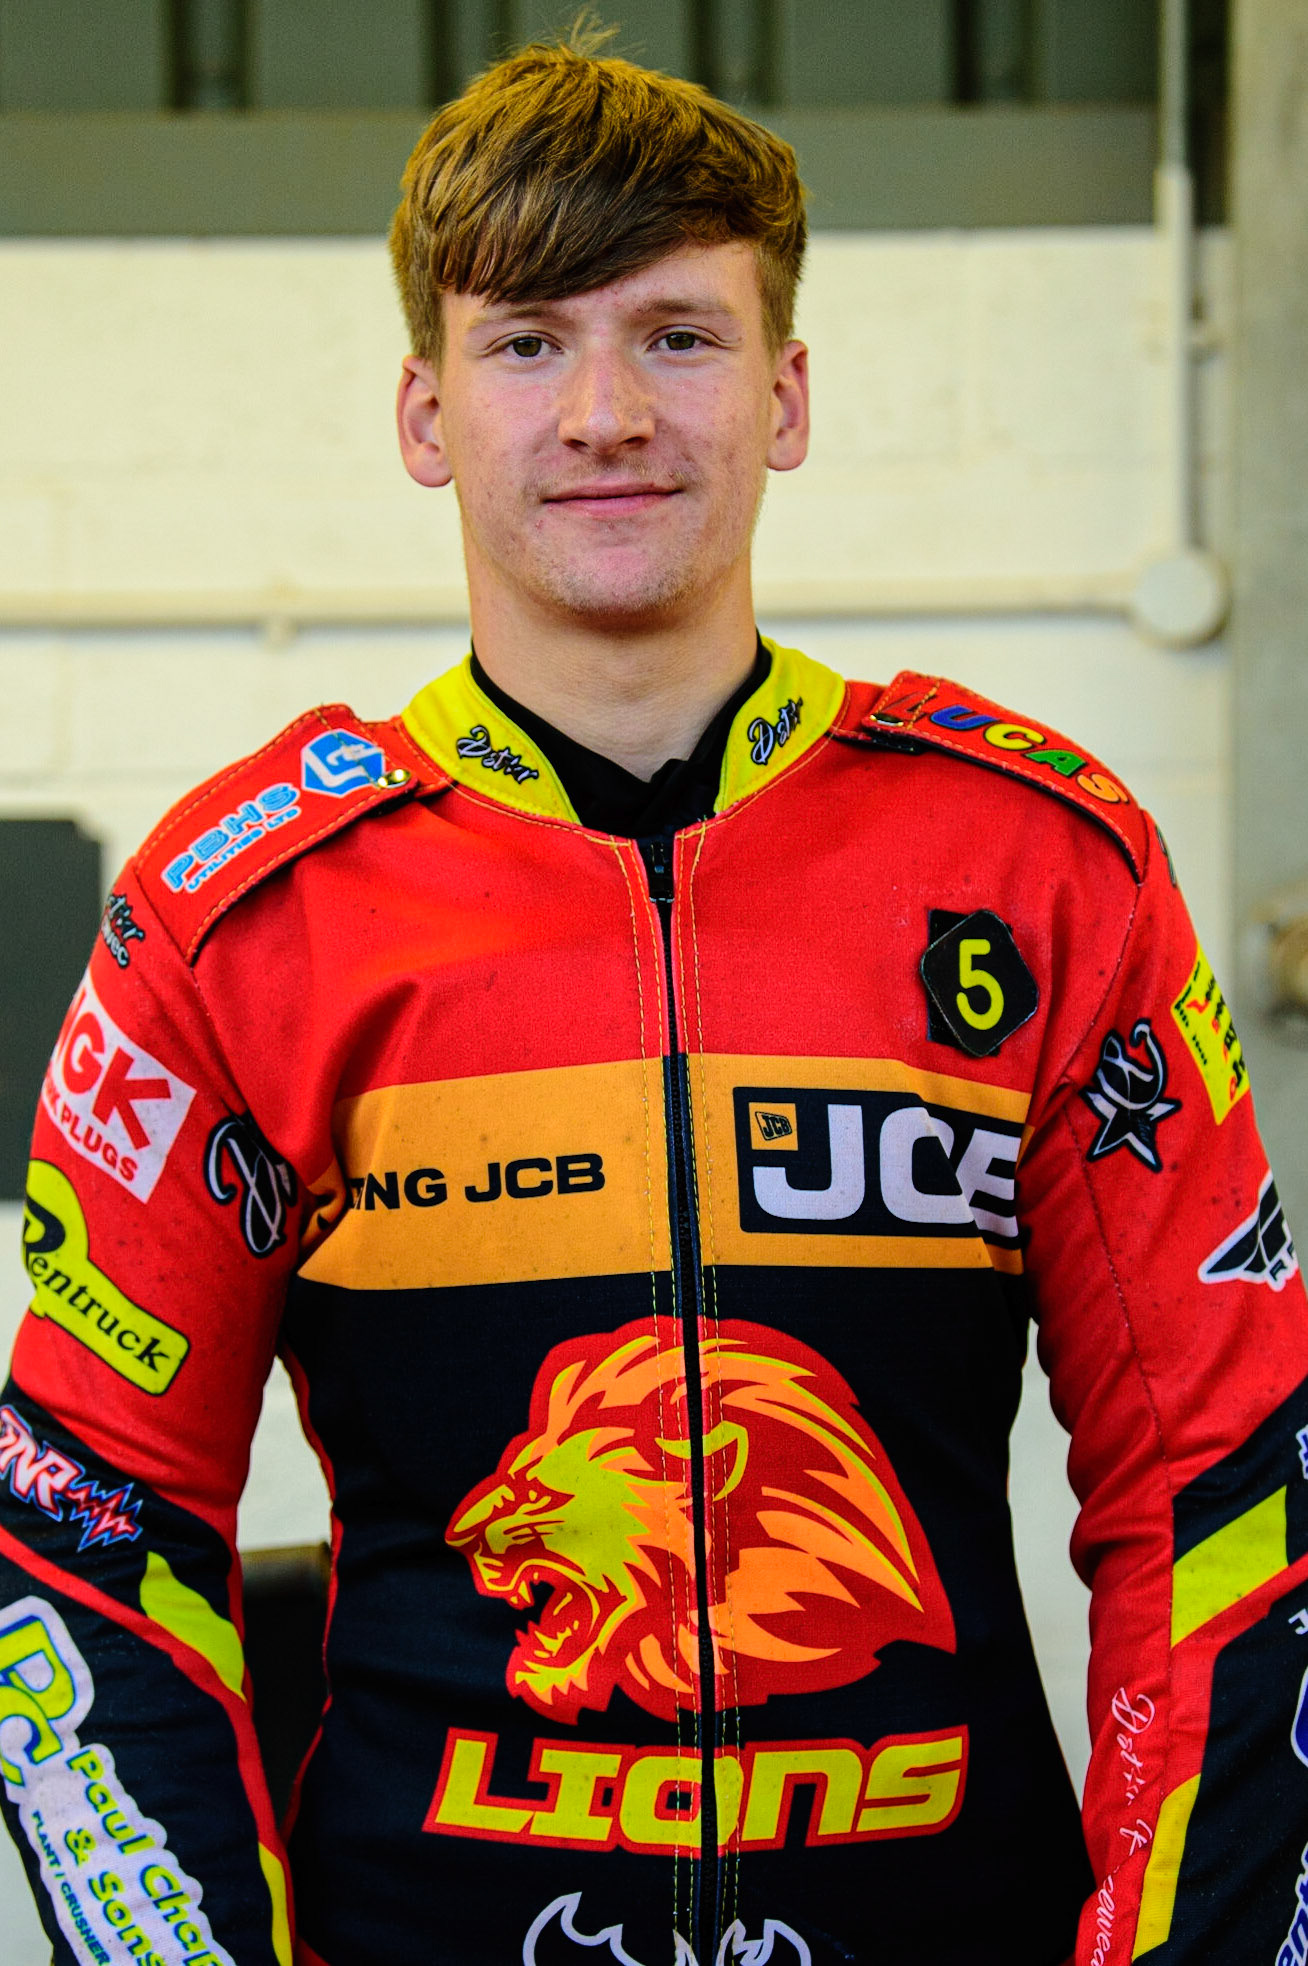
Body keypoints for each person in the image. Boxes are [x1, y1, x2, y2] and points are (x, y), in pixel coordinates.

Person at [2, 34, 1306, 1966]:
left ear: (784, 398)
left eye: (678, 337)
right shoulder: (239, 917)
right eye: (527, 342)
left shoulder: (1049, 864)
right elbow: (80, 1546)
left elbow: (1231, 1492)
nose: (606, 409)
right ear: (425, 412)